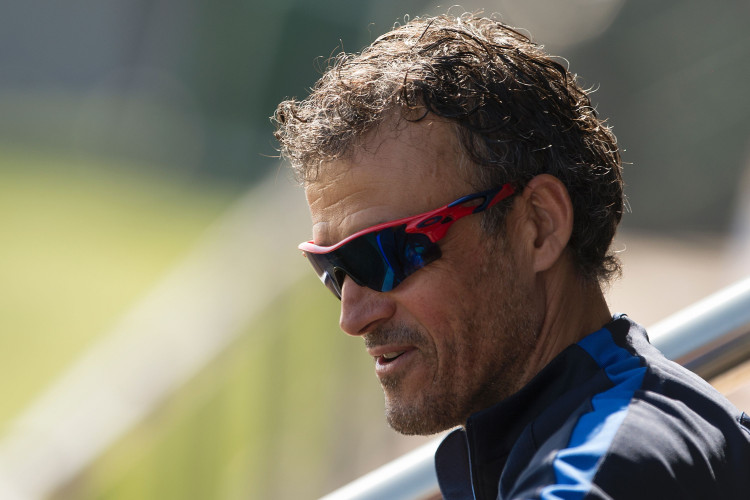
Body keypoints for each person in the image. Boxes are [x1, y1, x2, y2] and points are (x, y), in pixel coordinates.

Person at [272, 13, 750, 500]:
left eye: (385, 253)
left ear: (539, 226)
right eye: (333, 270)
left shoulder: (590, 474)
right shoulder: (637, 426)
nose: (353, 318)